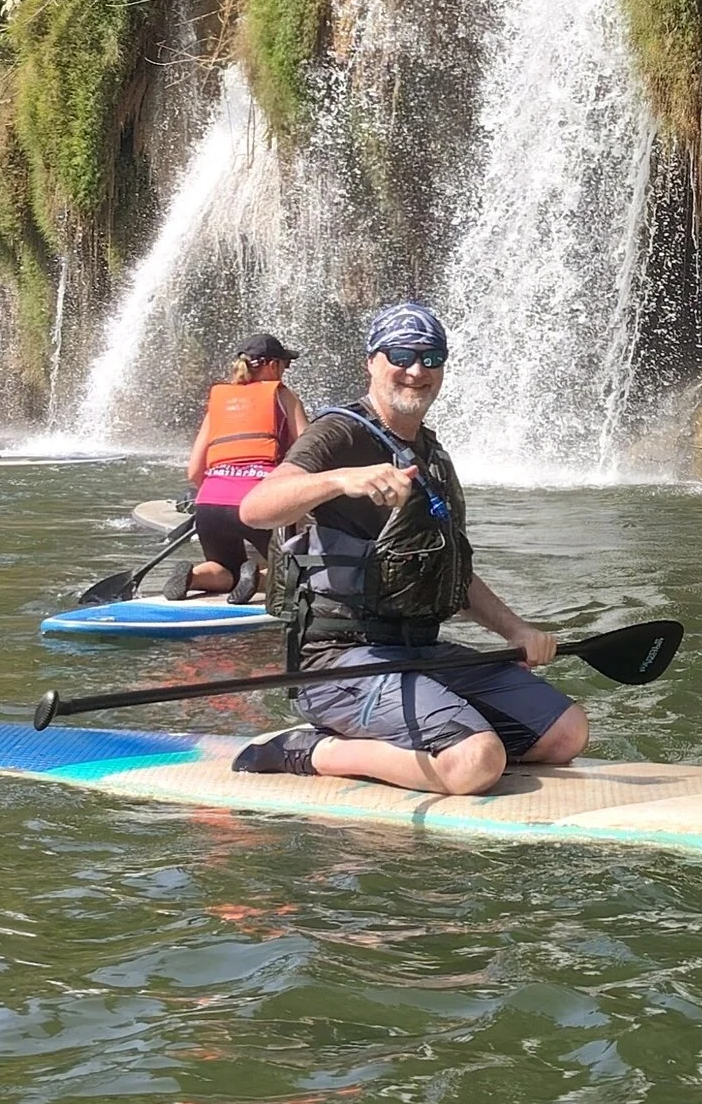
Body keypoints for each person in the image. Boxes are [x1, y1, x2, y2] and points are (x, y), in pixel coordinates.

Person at [234, 301, 579, 794]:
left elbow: (450, 572)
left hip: (419, 650)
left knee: (565, 733)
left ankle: (438, 733)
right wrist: (343, 480)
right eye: (402, 354)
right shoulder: (339, 433)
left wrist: (516, 630)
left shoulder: (433, 457)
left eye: (431, 357)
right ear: (372, 360)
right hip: (338, 662)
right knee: (476, 761)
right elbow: (256, 507)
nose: (417, 371)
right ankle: (311, 750)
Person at [166, 334, 311, 602]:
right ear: (271, 365)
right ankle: (259, 578)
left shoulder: (220, 403)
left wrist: (219, 492)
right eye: (284, 365)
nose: (285, 372)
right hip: (259, 505)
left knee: (222, 566)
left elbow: (194, 471)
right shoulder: (283, 396)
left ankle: (194, 576)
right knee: (303, 570)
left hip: (209, 506)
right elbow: (311, 452)